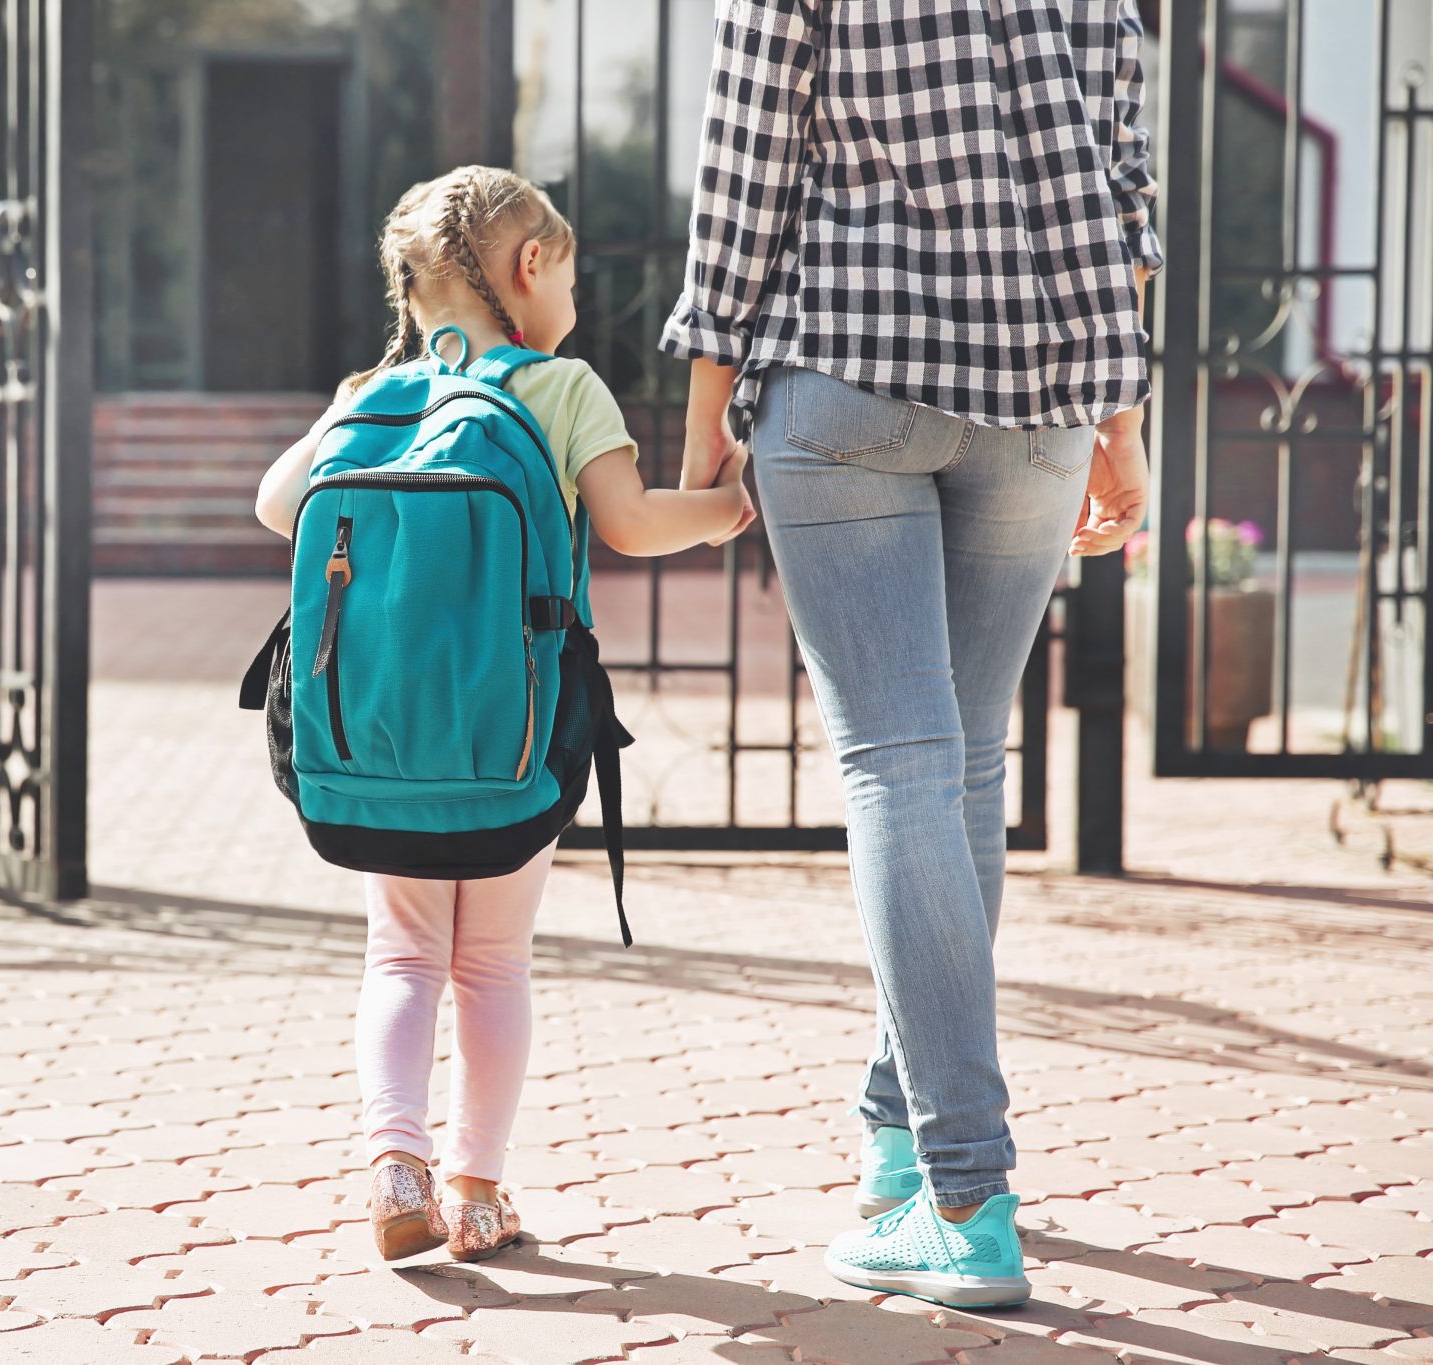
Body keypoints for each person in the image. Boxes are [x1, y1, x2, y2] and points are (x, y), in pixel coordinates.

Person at [662, 0, 1161, 1308]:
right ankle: (899, 1136)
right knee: (962, 768)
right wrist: (1124, 425)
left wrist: (704, 419)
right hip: (1047, 399)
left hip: (848, 380)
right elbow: (1123, 197)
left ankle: (967, 1194)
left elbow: (742, 183)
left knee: (900, 765)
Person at [257, 165, 756, 1262]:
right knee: (491, 964)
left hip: (374, 739)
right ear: (530, 265)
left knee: (399, 958)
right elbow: (627, 525)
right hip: (511, 736)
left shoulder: (366, 395)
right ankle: (478, 1192)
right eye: (565, 276)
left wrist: (358, 417)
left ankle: (396, 1160)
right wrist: (727, 507)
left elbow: (275, 505)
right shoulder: (560, 386)